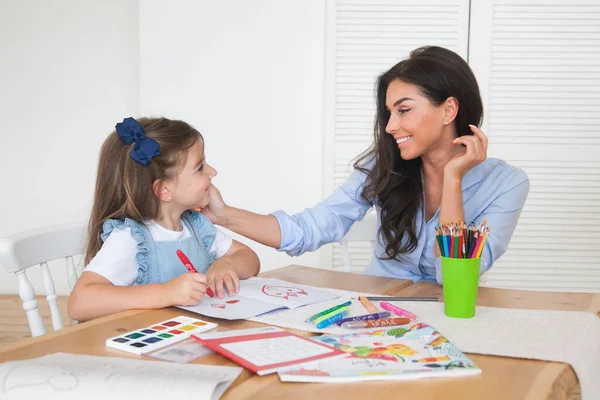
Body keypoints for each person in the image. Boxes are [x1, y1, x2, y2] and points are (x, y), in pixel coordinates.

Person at [201, 46, 529, 284]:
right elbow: (309, 230)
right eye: (389, 114)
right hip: (379, 314)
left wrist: (452, 179)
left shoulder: (508, 184)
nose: (390, 127)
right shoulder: (383, 165)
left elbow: (453, 277)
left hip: (452, 315)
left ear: (448, 110)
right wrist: (223, 215)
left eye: (404, 110)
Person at [68, 117, 260, 321]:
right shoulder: (133, 238)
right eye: (200, 167)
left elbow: (250, 259)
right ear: (163, 190)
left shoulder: (196, 226)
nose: (212, 172)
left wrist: (226, 265)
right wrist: (166, 293)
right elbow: (79, 302)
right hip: (146, 343)